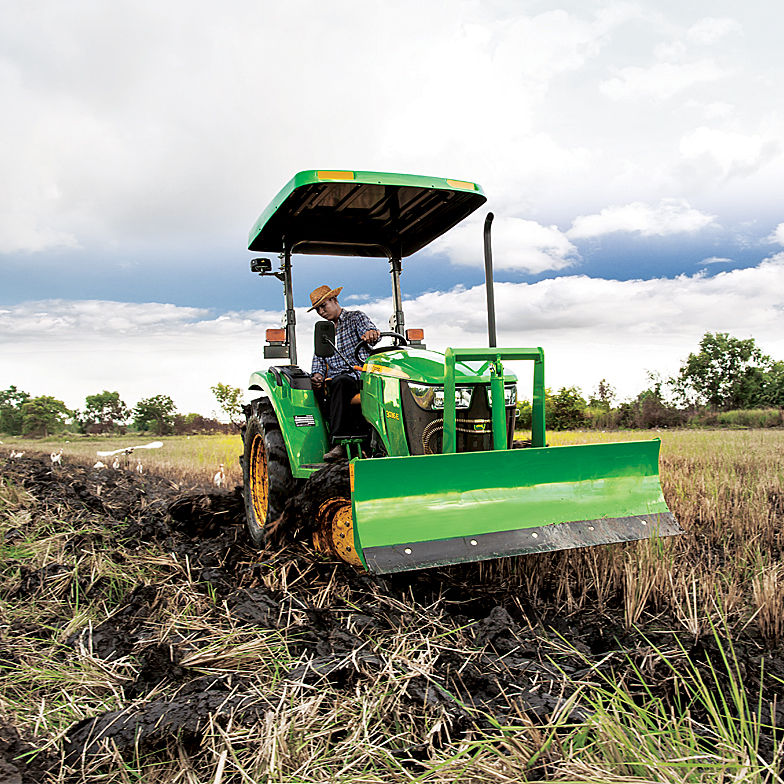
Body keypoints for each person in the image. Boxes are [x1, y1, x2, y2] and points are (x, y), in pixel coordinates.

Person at [308, 284, 380, 461]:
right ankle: (340, 442)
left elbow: (369, 332)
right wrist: (317, 376)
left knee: (343, 382)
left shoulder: (356, 317)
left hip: (361, 376)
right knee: (335, 383)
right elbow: (318, 359)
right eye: (317, 309)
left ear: (334, 300)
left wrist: (371, 334)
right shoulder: (324, 332)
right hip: (337, 380)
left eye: (323, 306)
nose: (321, 312)